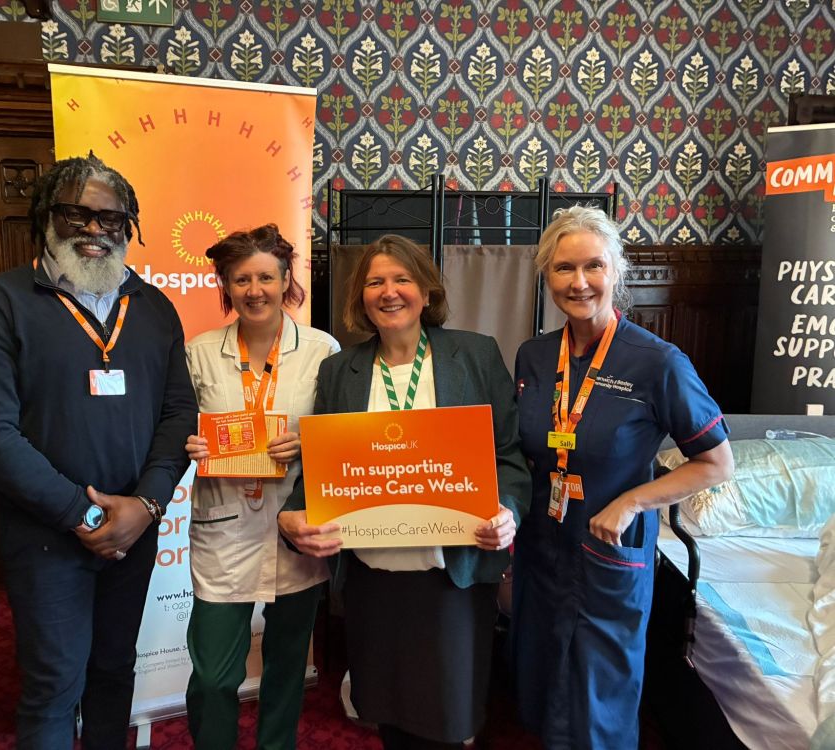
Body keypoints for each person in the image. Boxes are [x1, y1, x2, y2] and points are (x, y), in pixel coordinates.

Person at [0, 153, 197, 750]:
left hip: (135, 534)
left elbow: (178, 414)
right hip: (45, 538)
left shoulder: (155, 309)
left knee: (114, 672)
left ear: (128, 228)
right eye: (76, 214)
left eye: (112, 219)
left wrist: (145, 505)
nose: (94, 230)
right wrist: (84, 515)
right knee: (53, 684)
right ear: (45, 219)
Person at [279, 234, 531, 750]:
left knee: (452, 721)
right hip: (373, 581)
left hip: (451, 578)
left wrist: (508, 510)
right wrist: (291, 517)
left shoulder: (475, 354)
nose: (388, 292)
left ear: (426, 289)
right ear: (360, 295)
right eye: (375, 281)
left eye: (402, 279)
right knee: (387, 717)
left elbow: (508, 455)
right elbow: (321, 468)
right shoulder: (339, 371)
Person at [510, 205, 733, 750]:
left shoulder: (658, 362)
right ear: (546, 276)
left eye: (593, 266)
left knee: (599, 694)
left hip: (609, 550)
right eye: (563, 269)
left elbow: (717, 462)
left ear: (616, 272)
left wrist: (635, 501)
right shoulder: (534, 357)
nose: (578, 282)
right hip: (544, 545)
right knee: (541, 679)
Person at [183, 224, 339, 750]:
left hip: (296, 528)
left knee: (287, 669)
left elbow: (343, 437)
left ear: (286, 279)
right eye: (242, 279)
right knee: (213, 676)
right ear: (226, 285)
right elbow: (174, 425)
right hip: (223, 529)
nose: (255, 290)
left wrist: (309, 442)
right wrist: (191, 444)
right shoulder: (199, 353)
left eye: (266, 277)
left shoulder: (323, 350)